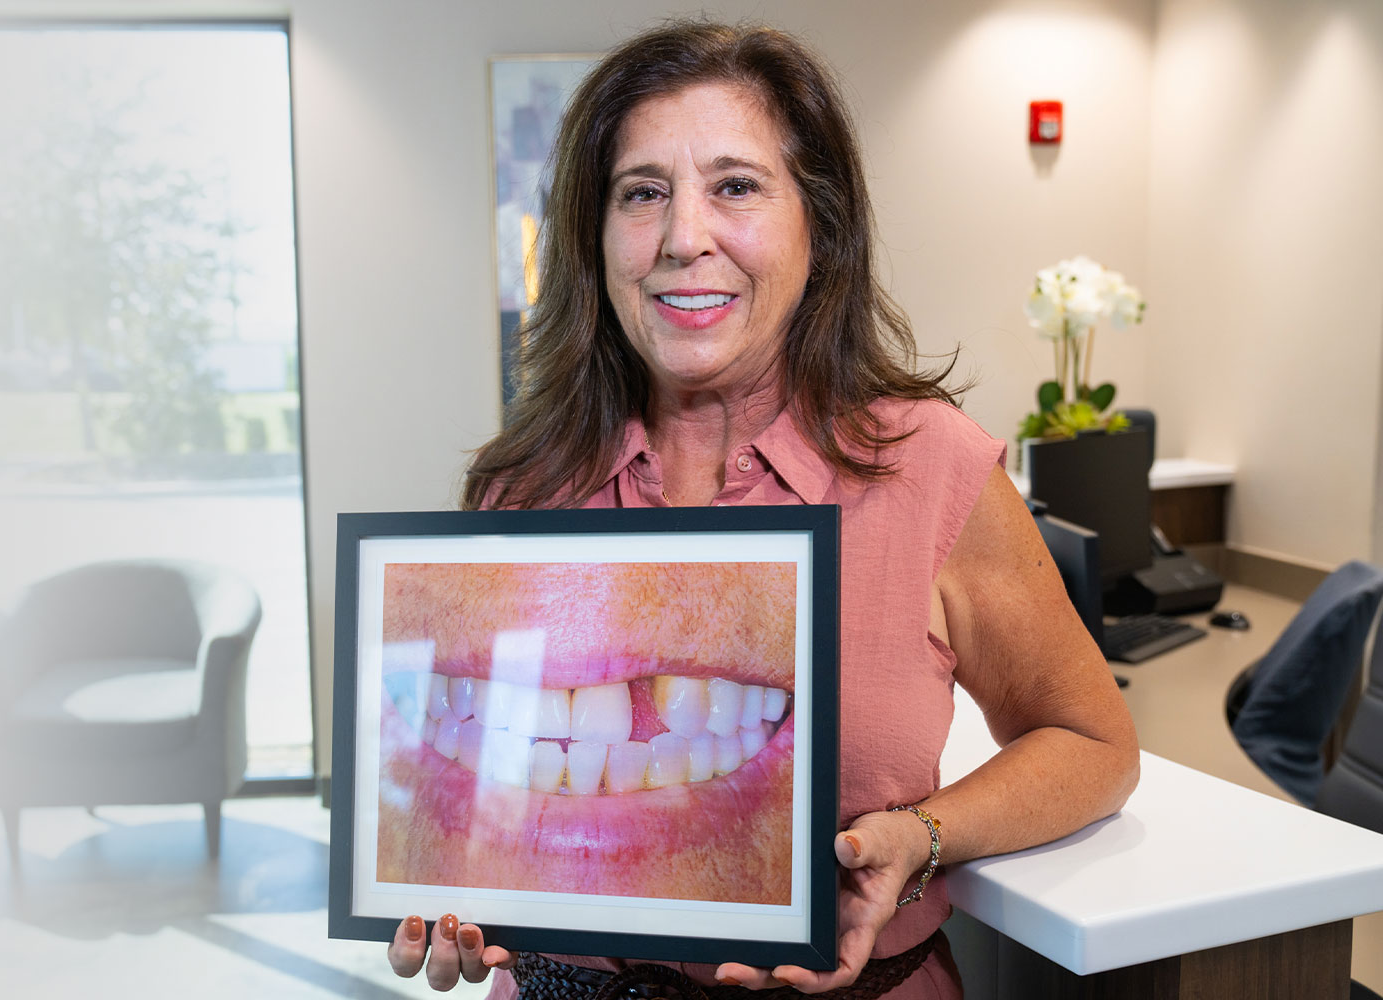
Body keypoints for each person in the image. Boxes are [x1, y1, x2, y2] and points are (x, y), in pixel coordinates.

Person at [383, 19, 1139, 999]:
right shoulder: (521, 491)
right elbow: (492, 793)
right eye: (641, 192)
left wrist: (921, 835)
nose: (681, 237)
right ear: (594, 235)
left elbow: (1090, 744)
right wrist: (444, 891)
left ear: (815, 225)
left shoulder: (931, 471)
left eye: (734, 187)